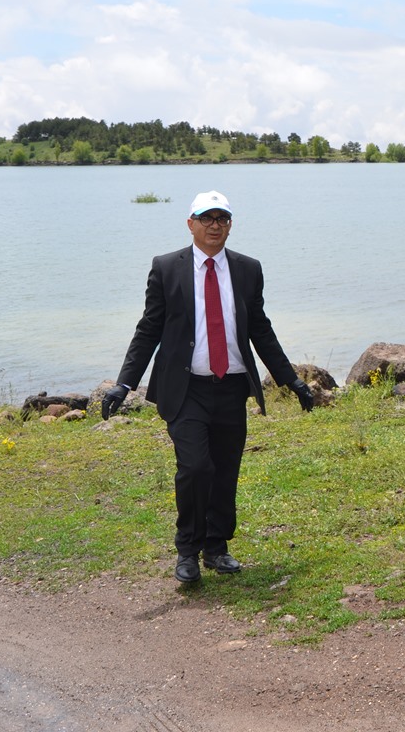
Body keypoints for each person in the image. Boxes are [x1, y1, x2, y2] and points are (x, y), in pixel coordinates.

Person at [102, 191, 316, 584]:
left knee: (224, 471)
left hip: (232, 387)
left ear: (230, 224)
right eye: (206, 217)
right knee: (195, 468)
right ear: (191, 224)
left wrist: (292, 380)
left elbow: (260, 330)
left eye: (222, 218)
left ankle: (216, 547)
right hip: (185, 389)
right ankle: (188, 549)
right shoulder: (167, 268)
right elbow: (149, 328)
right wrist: (124, 383)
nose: (215, 224)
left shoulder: (248, 269)